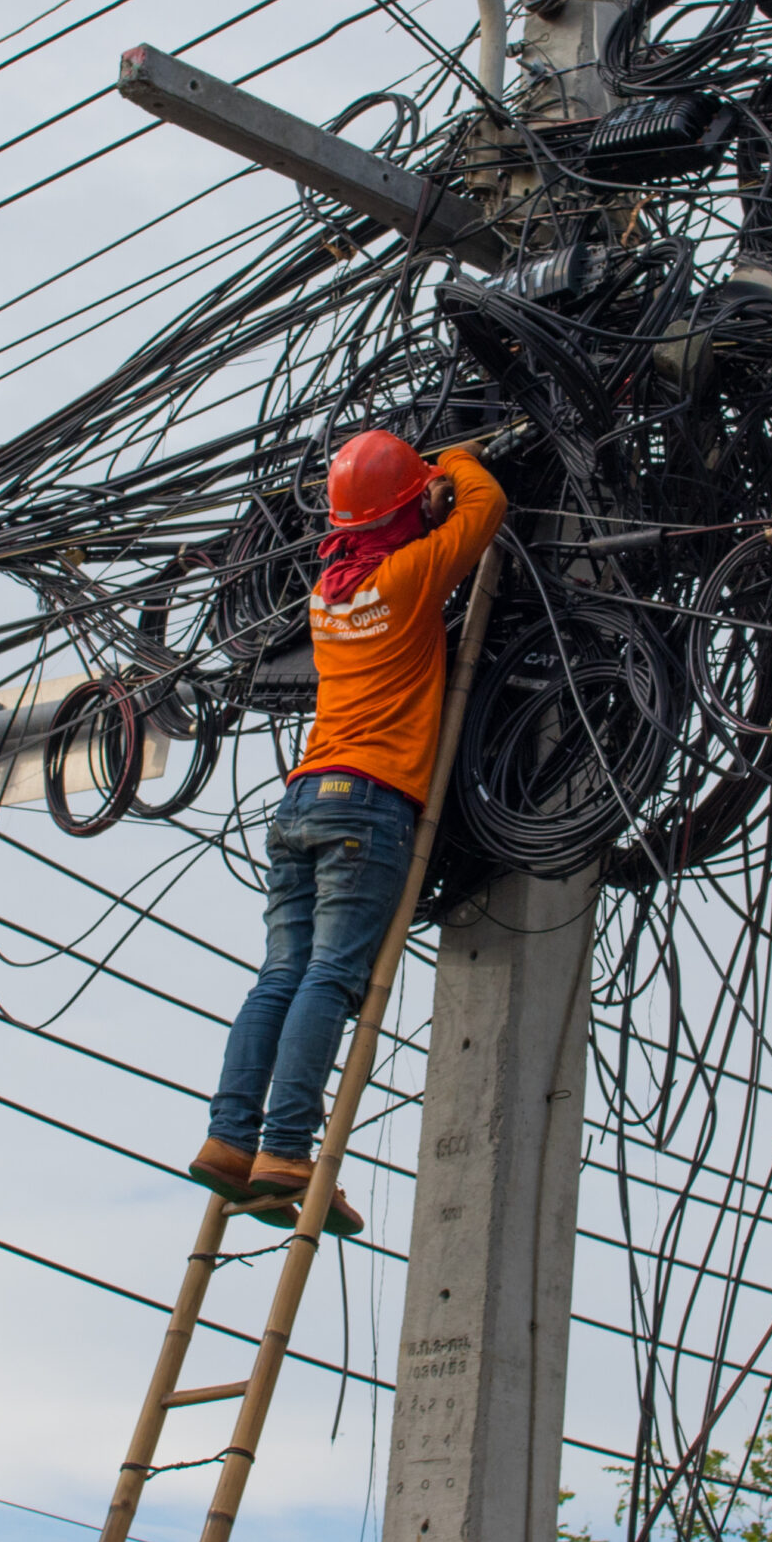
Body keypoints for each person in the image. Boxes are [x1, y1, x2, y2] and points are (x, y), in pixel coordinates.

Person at [190, 428, 506, 1234]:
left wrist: (411, 500)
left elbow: (391, 530)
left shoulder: (327, 593)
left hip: (299, 805)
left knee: (282, 974)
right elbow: (489, 505)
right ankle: (288, 1155)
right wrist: (457, 462)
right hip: (366, 804)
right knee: (331, 976)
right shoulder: (409, 578)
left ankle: (231, 1141)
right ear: (403, 515)